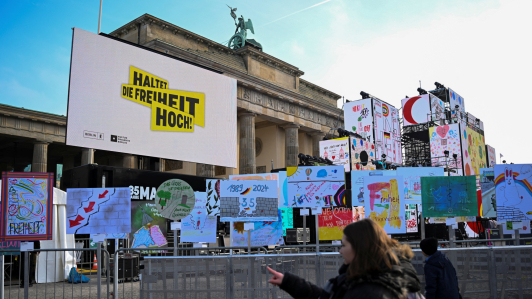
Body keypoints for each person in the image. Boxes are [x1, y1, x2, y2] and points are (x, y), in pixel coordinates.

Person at [267, 219, 408, 299]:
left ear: (359, 248)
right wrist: (288, 282)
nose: (340, 251)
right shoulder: (358, 279)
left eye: (344, 245)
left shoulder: (369, 292)